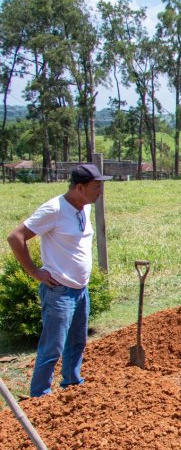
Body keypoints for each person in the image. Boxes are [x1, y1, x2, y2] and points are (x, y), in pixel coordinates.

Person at [6, 164, 112, 398]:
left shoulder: (84, 208)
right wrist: (35, 272)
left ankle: (72, 386)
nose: (100, 192)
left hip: (80, 289)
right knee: (52, 348)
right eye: (97, 187)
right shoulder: (54, 209)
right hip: (59, 292)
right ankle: (39, 398)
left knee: (77, 342)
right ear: (80, 187)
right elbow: (16, 237)